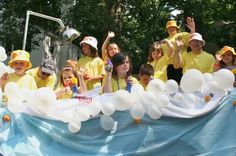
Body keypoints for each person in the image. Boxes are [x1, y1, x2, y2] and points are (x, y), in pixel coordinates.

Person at [162, 17, 195, 83]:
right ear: (167, 30)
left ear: (177, 28)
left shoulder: (181, 35)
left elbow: (193, 37)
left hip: (181, 65)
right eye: (169, 28)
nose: (171, 28)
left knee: (183, 86)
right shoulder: (165, 40)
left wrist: (192, 28)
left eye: (173, 27)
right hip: (169, 67)